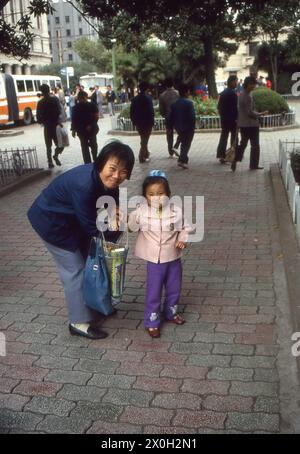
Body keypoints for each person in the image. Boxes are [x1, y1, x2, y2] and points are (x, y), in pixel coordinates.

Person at [27, 141, 135, 340]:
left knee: (91, 261)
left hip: (72, 221)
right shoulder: (83, 184)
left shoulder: (110, 184)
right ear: (100, 163)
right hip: (51, 222)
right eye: (112, 169)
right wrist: (114, 234)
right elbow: (91, 229)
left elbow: (112, 209)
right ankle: (78, 322)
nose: (117, 176)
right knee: (74, 268)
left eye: (123, 171)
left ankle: (97, 305)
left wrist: (117, 219)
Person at [128, 170, 190, 338]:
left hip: (173, 257)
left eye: (161, 193)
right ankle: (152, 321)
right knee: (154, 291)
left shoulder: (176, 211)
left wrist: (182, 238)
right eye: (151, 194)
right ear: (145, 197)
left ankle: (171, 313)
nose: (156, 198)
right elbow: (130, 226)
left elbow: (187, 226)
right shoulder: (141, 211)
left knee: (174, 288)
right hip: (154, 260)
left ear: (168, 194)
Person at [231, 76, 268, 172]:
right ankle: (253, 164)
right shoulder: (247, 96)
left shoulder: (242, 94)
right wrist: (261, 114)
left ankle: (235, 159)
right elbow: (249, 112)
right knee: (255, 145)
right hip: (251, 125)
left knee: (243, 144)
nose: (254, 86)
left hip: (243, 124)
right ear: (248, 84)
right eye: (253, 84)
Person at [36, 84, 64, 169]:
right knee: (60, 145)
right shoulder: (55, 99)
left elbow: (38, 117)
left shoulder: (40, 102)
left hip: (47, 127)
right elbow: (59, 111)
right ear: (48, 90)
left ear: (42, 92)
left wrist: (43, 121)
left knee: (48, 146)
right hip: (56, 126)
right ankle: (55, 155)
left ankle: (50, 162)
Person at [168, 83, 196, 170]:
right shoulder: (189, 103)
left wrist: (170, 126)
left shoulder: (174, 104)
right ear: (187, 92)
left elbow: (171, 117)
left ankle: (182, 159)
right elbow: (192, 116)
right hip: (188, 127)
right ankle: (182, 160)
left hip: (178, 127)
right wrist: (193, 125)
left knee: (184, 143)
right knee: (186, 144)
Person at [71, 91, 99, 164]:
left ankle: (88, 163)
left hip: (81, 130)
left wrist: (73, 130)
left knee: (84, 147)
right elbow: (96, 117)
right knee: (93, 145)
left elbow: (73, 120)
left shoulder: (75, 108)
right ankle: (95, 159)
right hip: (91, 129)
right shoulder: (92, 105)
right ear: (86, 97)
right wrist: (91, 124)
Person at [130, 81, 155, 163]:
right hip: (147, 122)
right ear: (147, 88)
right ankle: (141, 156)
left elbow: (132, 112)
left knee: (143, 138)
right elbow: (151, 111)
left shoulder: (134, 99)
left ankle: (146, 154)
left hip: (138, 123)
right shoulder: (148, 98)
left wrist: (134, 121)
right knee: (145, 139)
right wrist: (152, 121)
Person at [216, 75, 238, 164]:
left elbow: (219, 107)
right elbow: (235, 108)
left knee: (224, 137)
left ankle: (221, 155)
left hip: (224, 119)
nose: (236, 83)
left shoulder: (223, 93)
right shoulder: (233, 93)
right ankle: (231, 155)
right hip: (232, 119)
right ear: (232, 82)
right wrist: (237, 118)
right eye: (236, 81)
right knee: (234, 137)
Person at [159, 78, 180, 158]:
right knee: (181, 133)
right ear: (173, 84)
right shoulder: (177, 93)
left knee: (169, 134)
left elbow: (161, 109)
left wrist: (164, 115)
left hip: (168, 117)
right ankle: (176, 146)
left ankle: (171, 152)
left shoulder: (162, 95)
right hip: (177, 116)